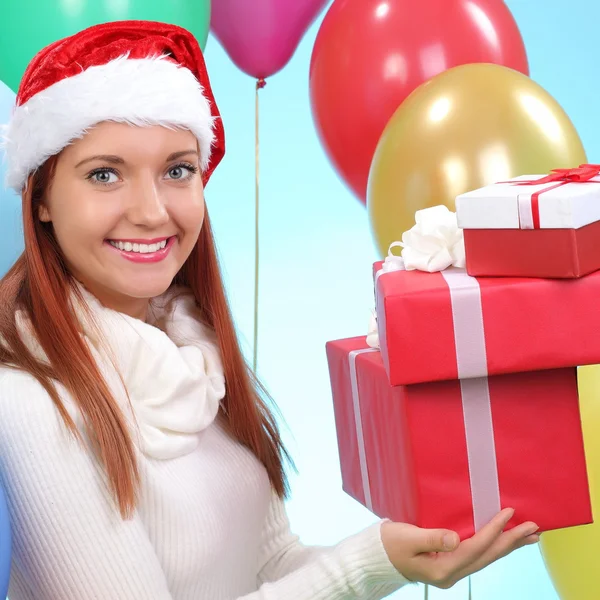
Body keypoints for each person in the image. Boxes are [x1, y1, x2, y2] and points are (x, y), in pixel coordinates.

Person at [0, 20, 540, 600]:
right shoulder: (30, 399)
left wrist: (401, 552)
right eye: (104, 174)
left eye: (177, 170)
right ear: (43, 198)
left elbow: (268, 563)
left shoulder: (189, 345)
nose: (153, 212)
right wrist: (363, 565)